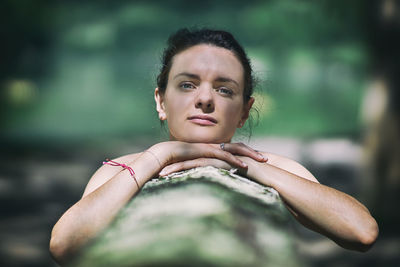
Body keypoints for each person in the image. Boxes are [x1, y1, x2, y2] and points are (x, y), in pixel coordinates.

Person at [49, 28, 379, 264]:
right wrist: (159, 155)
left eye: (224, 90)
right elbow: (64, 245)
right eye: (188, 84)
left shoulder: (271, 167)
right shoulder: (120, 169)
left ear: (244, 111)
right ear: (161, 100)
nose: (205, 99)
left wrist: (252, 168)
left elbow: (361, 231)